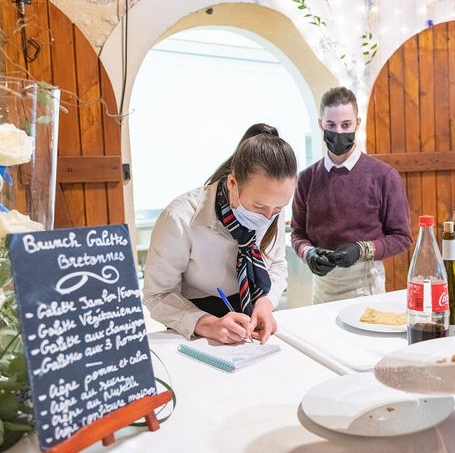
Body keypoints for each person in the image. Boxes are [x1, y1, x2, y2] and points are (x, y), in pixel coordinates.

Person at [143, 132, 297, 344]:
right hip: (194, 322)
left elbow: (276, 264)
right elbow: (158, 295)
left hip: (249, 317)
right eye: (258, 207)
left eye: (279, 208)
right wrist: (207, 324)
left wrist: (266, 303)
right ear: (233, 183)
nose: (268, 218)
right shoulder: (180, 218)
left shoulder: (271, 209)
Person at [291, 86, 412, 303]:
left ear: (357, 122)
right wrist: (308, 253)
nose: (338, 132)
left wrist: (361, 249)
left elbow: (402, 238)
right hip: (322, 287)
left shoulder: (384, 176)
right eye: (331, 125)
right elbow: (297, 234)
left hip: (365, 284)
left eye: (345, 125)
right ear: (321, 125)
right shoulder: (306, 179)